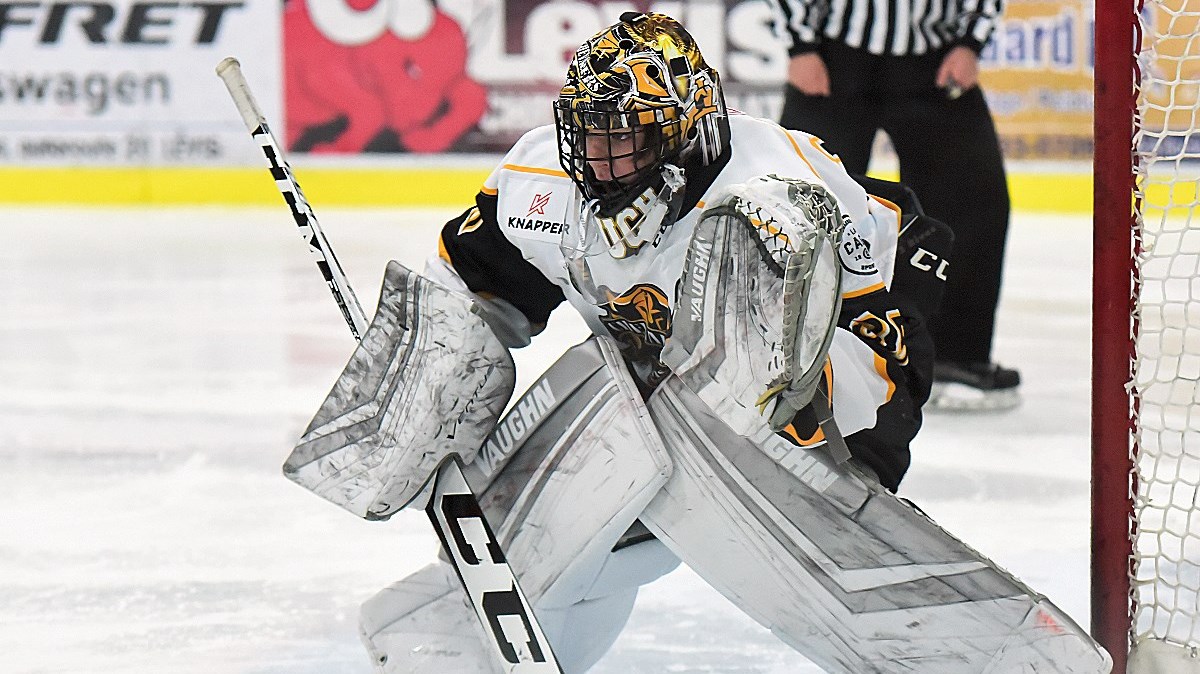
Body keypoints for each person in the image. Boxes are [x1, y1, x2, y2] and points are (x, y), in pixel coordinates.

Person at [303, 12, 1109, 674]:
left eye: (628, 139)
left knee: (758, 241)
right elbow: (473, 297)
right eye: (589, 138)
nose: (600, 163)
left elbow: (905, 279)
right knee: (606, 473)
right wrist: (420, 387)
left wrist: (853, 463)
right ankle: (542, 625)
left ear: (687, 129)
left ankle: (787, 449)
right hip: (658, 398)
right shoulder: (543, 184)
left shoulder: (780, 176)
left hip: (833, 371)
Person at [768, 0, 1020, 411]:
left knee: (973, 202)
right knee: (797, 205)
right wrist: (800, 46)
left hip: (936, 59)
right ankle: (784, 352)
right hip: (833, 57)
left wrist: (970, 43)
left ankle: (954, 356)